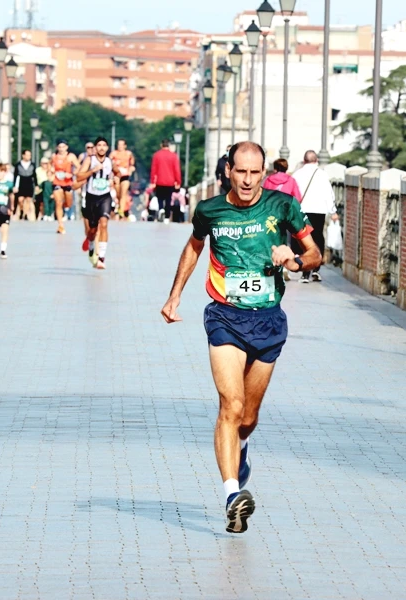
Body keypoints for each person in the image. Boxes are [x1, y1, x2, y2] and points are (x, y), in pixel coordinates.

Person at [160, 141, 322, 534]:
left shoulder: (282, 206)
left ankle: (242, 448)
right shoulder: (210, 210)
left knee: (247, 418)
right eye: (241, 171)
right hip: (225, 317)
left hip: (268, 322)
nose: (248, 180)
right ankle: (233, 495)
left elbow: (316, 253)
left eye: (255, 172)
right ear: (228, 171)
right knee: (230, 406)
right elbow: (194, 248)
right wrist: (175, 294)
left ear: (263, 172)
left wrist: (295, 261)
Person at [291, 150, 336, 283]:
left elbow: (293, 193)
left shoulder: (297, 174)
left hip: (302, 210)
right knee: (318, 237)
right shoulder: (322, 174)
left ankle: (305, 272)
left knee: (304, 238)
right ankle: (316, 268)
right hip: (319, 210)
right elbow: (329, 194)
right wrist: (332, 210)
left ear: (304, 161)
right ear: (316, 160)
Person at [76, 137, 114, 269]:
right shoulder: (89, 160)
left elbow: (116, 173)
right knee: (92, 230)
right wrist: (92, 170)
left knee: (104, 224)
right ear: (95, 148)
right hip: (91, 197)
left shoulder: (110, 161)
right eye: (99, 145)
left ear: (107, 148)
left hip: (105, 196)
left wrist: (115, 178)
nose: (102, 148)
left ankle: (102, 257)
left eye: (104, 145)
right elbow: (79, 176)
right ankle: (92, 245)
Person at [50, 139, 80, 234]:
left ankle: (65, 208)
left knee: (68, 203)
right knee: (58, 202)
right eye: (60, 147)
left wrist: (72, 174)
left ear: (67, 147)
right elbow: (50, 167)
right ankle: (61, 225)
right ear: (57, 148)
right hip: (57, 182)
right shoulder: (54, 156)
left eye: (63, 147)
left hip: (67, 183)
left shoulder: (70, 156)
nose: (61, 149)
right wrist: (51, 172)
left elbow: (79, 167)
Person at [149, 139, 182, 223]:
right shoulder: (174, 156)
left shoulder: (156, 155)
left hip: (159, 181)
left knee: (160, 197)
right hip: (170, 181)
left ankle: (161, 209)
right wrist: (178, 181)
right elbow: (177, 170)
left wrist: (153, 181)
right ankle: (167, 216)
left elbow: (153, 169)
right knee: (168, 198)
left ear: (161, 145)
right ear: (169, 145)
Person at [110, 139, 135, 219]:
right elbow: (108, 162)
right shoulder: (114, 153)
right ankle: (119, 206)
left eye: (122, 145)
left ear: (125, 146)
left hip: (125, 176)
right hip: (117, 176)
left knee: (123, 193)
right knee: (118, 194)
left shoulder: (128, 154)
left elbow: (132, 164)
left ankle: (121, 211)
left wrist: (131, 169)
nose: (120, 146)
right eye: (119, 144)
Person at [13, 150, 38, 222]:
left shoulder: (32, 164)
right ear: (23, 155)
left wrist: (36, 185)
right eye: (27, 155)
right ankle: (21, 210)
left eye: (29, 155)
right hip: (21, 182)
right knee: (20, 199)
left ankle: (25, 213)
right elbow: (15, 175)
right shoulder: (18, 164)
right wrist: (15, 185)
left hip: (29, 182)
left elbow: (34, 175)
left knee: (28, 199)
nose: (28, 157)